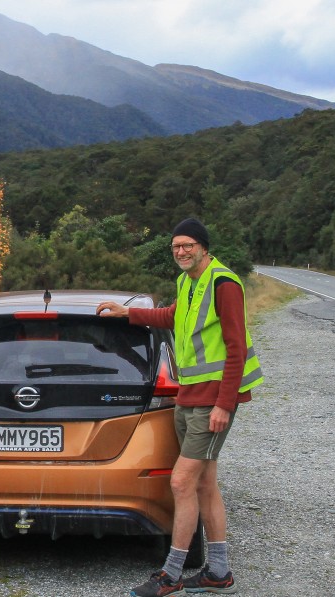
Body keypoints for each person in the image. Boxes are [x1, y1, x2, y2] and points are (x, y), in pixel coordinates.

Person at [96, 218, 263, 597]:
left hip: (213, 400)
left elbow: (236, 347)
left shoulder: (224, 283)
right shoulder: (188, 281)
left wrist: (224, 404)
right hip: (188, 394)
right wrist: (129, 314)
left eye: (187, 245)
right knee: (205, 483)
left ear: (203, 246)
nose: (181, 252)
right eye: (176, 247)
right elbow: (173, 316)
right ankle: (218, 572)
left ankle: (171, 575)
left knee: (181, 481)